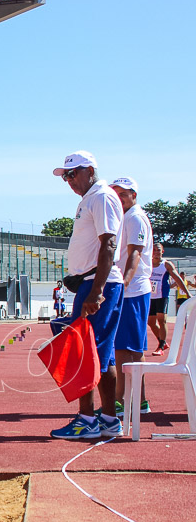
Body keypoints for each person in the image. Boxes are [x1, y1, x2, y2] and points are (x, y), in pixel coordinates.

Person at [49, 151, 124, 440]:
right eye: (65, 176)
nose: (68, 180)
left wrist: (96, 290)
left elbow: (109, 244)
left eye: (73, 173)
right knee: (103, 356)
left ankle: (87, 420)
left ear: (90, 170)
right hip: (91, 282)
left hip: (98, 285)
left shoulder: (101, 196)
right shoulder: (90, 198)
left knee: (84, 355)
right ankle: (108, 419)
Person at [108, 178, 153, 419]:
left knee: (125, 348)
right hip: (134, 290)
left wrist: (124, 283)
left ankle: (122, 400)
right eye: (115, 194)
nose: (119, 198)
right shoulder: (129, 216)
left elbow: (135, 251)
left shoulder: (134, 217)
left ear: (134, 194)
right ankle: (137, 400)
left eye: (123, 194)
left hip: (132, 290)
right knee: (133, 348)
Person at [147, 243, 189, 356]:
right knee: (150, 322)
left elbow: (177, 279)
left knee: (162, 320)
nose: (156, 252)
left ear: (163, 251)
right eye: (154, 250)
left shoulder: (166, 265)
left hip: (162, 296)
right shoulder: (147, 264)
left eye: (158, 250)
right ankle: (163, 342)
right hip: (150, 296)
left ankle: (160, 346)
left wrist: (188, 293)